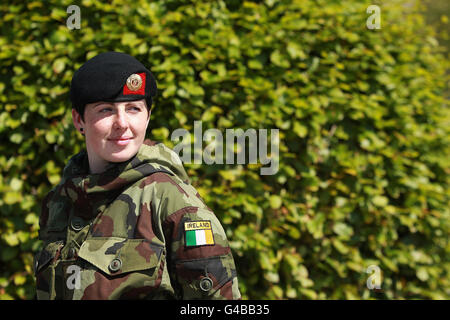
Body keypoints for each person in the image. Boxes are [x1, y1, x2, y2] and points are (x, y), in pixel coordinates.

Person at [34, 51, 241, 300]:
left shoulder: (172, 201)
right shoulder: (60, 201)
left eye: (133, 109)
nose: (122, 123)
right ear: (79, 120)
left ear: (148, 116)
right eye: (106, 110)